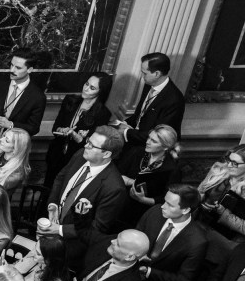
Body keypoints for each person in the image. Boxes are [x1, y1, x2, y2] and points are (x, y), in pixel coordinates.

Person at [40, 125, 128, 271]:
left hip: (71, 248)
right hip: (51, 231)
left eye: (92, 145)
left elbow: (97, 227)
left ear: (106, 154)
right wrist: (53, 204)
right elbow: (60, 179)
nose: (86, 145)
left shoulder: (114, 188)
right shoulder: (80, 155)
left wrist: (60, 230)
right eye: (88, 141)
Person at [136, 185, 208, 281]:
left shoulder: (197, 242)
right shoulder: (154, 212)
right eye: (165, 201)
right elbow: (135, 236)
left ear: (186, 210)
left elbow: (184, 279)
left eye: (170, 205)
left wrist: (149, 272)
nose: (163, 207)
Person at [44, 72, 113, 188]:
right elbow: (55, 127)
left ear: (100, 92)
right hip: (56, 154)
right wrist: (62, 130)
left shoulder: (103, 113)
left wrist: (77, 137)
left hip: (77, 158)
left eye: (92, 88)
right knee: (49, 186)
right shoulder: (70, 100)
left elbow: (94, 144)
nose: (86, 89)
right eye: (86, 84)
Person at [114, 52, 186, 163]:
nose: (142, 77)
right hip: (136, 141)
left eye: (144, 73)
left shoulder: (174, 100)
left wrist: (126, 132)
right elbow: (140, 115)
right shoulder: (149, 85)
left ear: (157, 74)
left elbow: (160, 136)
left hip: (150, 152)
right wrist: (122, 124)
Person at [0, 50, 47, 146]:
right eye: (11, 65)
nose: (12, 70)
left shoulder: (37, 97)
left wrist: (11, 125)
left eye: (18, 68)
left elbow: (34, 128)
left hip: (14, 148)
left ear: (29, 70)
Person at [119, 125, 180, 225]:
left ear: (165, 147)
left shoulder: (171, 168)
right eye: (149, 138)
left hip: (146, 213)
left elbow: (166, 198)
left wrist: (143, 200)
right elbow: (117, 173)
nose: (147, 142)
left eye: (154, 141)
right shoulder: (136, 152)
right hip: (122, 204)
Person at [197, 144, 245, 242]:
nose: (229, 165)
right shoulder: (218, 170)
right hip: (199, 227)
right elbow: (199, 192)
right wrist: (200, 200)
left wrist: (222, 212)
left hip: (227, 241)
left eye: (235, 163)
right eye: (229, 160)